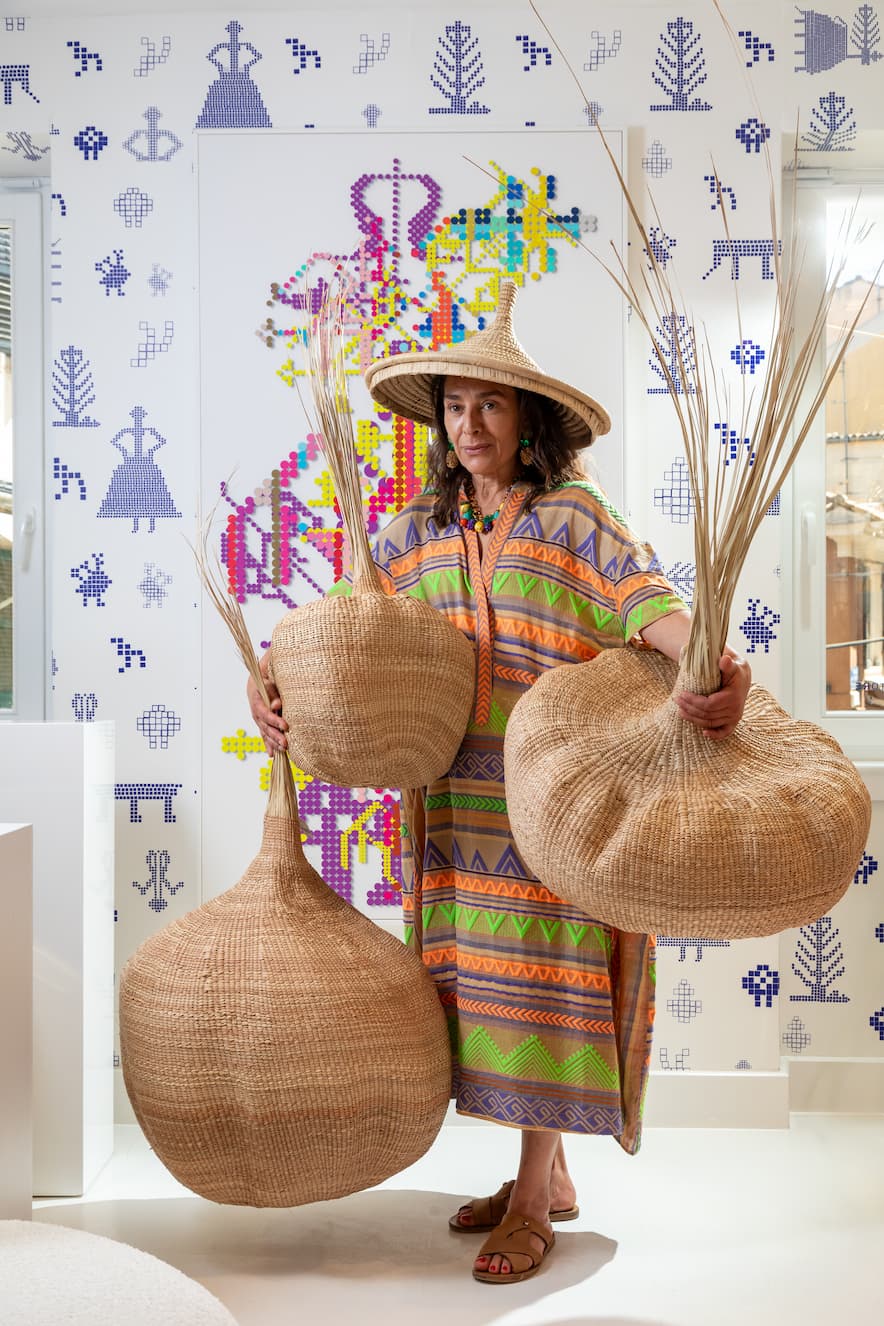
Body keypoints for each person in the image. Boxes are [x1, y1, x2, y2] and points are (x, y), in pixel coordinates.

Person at [249, 281, 751, 1285]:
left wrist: (712, 669)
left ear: (527, 421)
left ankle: (531, 1203)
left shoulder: (574, 517)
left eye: (488, 403)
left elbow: (648, 603)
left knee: (549, 989)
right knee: (471, 994)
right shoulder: (411, 532)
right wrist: (272, 690)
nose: (466, 422)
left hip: (555, 798)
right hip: (449, 801)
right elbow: (341, 630)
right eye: (452, 404)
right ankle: (546, 1174)